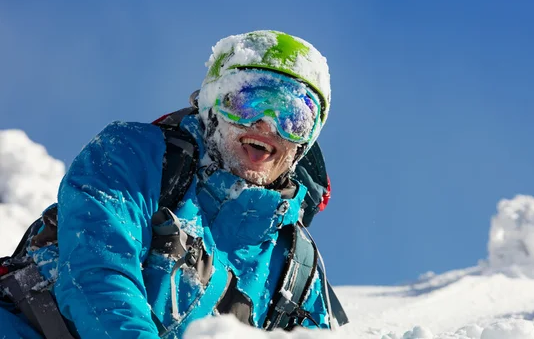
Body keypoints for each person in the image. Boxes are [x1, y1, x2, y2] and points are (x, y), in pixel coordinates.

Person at [0, 30, 346, 338]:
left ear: (305, 142)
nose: (268, 125)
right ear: (212, 104)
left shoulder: (295, 269)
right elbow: (100, 274)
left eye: (295, 117)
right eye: (247, 100)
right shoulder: (136, 156)